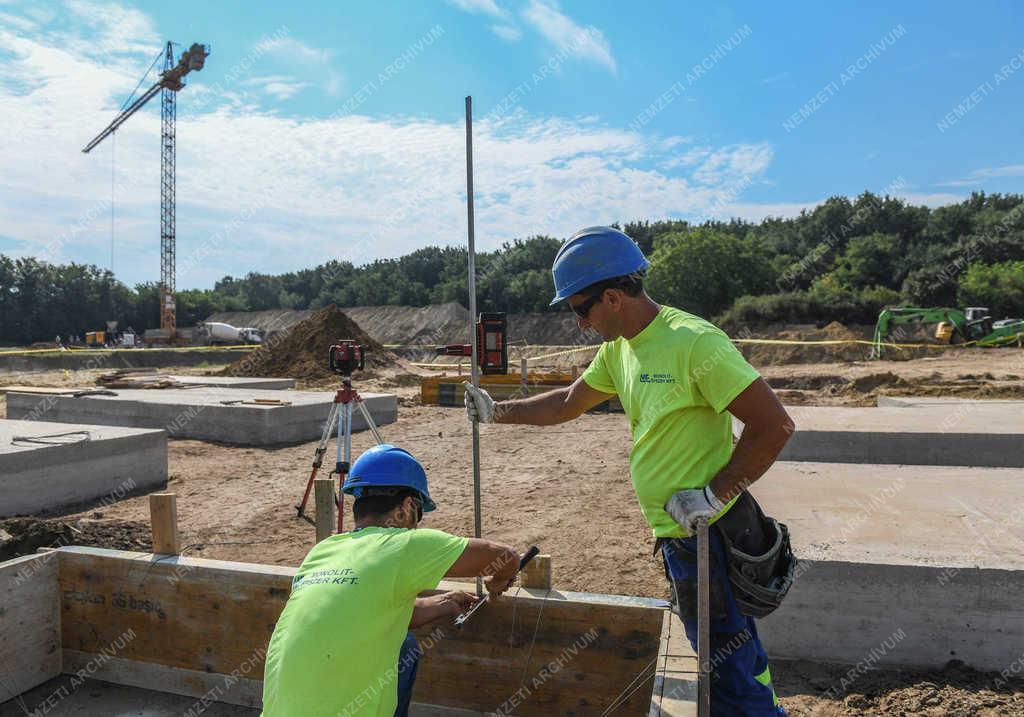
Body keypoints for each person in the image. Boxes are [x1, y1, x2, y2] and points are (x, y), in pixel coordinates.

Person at [463, 226, 797, 716]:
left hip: (710, 536)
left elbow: (774, 425)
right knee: (731, 651)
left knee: (725, 667)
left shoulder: (694, 343)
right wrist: (498, 413)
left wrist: (714, 495)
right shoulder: (620, 348)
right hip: (681, 535)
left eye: (581, 310)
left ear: (614, 297)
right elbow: (569, 402)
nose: (579, 324)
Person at [261, 444, 522, 717]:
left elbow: (368, 611)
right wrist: (496, 582)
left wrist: (445, 602)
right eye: (419, 515)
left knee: (404, 643)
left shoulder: (323, 550)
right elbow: (508, 557)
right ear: (408, 507)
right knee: (403, 647)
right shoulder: (402, 544)